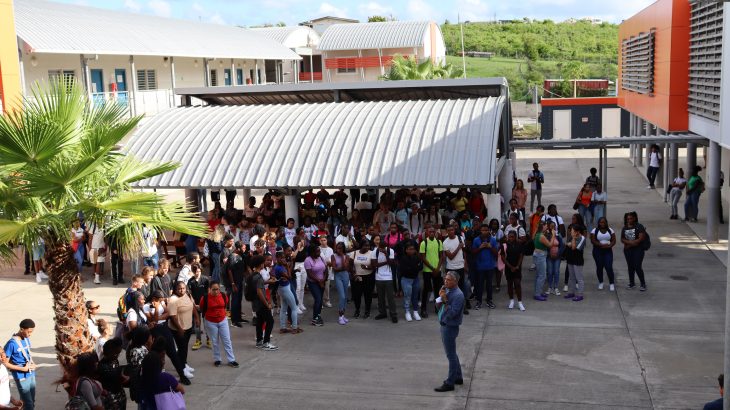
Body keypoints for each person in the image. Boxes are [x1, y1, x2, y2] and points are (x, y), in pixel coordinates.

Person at [144, 291, 190, 384]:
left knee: (173, 353)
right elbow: (153, 320)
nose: (161, 301)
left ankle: (182, 375)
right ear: (154, 299)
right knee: (158, 354)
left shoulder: (161, 302)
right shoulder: (146, 306)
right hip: (155, 330)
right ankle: (157, 376)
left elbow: (167, 313)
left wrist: (159, 317)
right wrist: (156, 309)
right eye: (159, 300)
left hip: (164, 328)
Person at [434, 272, 465, 393]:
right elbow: (439, 308)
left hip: (450, 327)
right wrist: (440, 298)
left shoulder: (458, 295)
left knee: (450, 355)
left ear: (455, 281)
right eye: (445, 279)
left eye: (448, 280)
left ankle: (450, 383)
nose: (445, 281)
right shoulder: (447, 290)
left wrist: (445, 300)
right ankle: (458, 377)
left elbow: (452, 313)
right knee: (452, 353)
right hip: (444, 325)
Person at [201, 281, 239, 365]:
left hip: (222, 320)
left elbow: (225, 305)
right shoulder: (205, 298)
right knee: (215, 342)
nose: (216, 291)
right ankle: (217, 359)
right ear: (209, 289)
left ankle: (231, 360)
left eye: (217, 289)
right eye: (214, 290)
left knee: (227, 341)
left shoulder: (223, 295)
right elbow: (202, 307)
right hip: (210, 322)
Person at [3, 319, 36, 410]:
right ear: (21, 329)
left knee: (31, 401)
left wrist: (33, 364)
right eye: (29, 332)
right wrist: (22, 369)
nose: (30, 334)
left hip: (31, 374)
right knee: (28, 404)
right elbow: (5, 363)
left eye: (32, 332)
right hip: (21, 376)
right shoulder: (11, 344)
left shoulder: (26, 339)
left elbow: (28, 355)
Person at [169, 281, 198, 379]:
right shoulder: (173, 299)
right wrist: (179, 328)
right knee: (182, 349)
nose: (182, 290)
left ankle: (184, 363)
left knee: (184, 347)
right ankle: (182, 368)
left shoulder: (187, 295)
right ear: (175, 289)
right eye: (179, 289)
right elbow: (172, 316)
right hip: (178, 329)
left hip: (188, 326)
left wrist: (197, 318)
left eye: (183, 288)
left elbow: (192, 306)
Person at [250, 255, 278, 349]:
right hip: (261, 303)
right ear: (260, 264)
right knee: (270, 321)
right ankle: (266, 342)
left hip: (256, 303)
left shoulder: (254, 275)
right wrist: (267, 303)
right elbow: (259, 292)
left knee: (260, 321)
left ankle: (259, 341)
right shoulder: (258, 277)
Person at [442, 225, 470, 314]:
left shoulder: (460, 238)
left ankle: (463, 307)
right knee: (451, 288)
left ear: (454, 230)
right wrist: (458, 247)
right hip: (451, 268)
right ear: (446, 232)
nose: (451, 232)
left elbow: (464, 251)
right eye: (449, 230)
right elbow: (450, 257)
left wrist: (465, 262)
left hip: (460, 267)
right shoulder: (445, 242)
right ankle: (451, 306)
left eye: (452, 230)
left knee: (462, 287)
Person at [274, 247, 301, 334]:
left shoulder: (279, 266)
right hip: (284, 288)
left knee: (284, 308)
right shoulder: (279, 268)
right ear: (277, 258)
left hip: (283, 288)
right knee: (294, 307)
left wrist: (287, 266)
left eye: (283, 258)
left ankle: (283, 327)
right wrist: (287, 266)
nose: (283, 259)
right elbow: (289, 277)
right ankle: (294, 327)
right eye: (281, 258)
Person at [372, 235, 398, 323]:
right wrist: (387, 262)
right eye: (380, 247)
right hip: (378, 277)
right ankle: (382, 313)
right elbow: (374, 265)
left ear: (386, 246)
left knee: (391, 297)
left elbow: (391, 264)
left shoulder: (390, 251)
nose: (381, 249)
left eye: (383, 247)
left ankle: (393, 314)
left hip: (388, 277)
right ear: (378, 246)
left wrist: (386, 254)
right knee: (380, 297)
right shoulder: (375, 251)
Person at [472, 224, 498, 309]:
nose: (484, 232)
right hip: (479, 267)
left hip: (490, 266)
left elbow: (496, 253)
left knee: (489, 285)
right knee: (480, 285)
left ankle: (489, 300)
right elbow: (473, 252)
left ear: (489, 231)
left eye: (486, 230)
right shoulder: (476, 240)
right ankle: (479, 301)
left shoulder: (493, 240)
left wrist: (490, 247)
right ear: (480, 231)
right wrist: (480, 247)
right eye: (483, 230)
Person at [420, 227, 444, 317]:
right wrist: (432, 268)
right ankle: (423, 309)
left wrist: (437, 268)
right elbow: (423, 258)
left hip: (437, 270)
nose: (432, 233)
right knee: (426, 290)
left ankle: (437, 308)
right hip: (427, 270)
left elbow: (441, 256)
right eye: (430, 231)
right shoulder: (424, 243)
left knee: (438, 290)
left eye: (433, 231)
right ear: (427, 232)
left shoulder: (439, 242)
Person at [98, 338, 128, 410]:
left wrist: (123, 376)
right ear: (109, 352)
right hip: (110, 398)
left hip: (120, 394)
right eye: (115, 353)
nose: (117, 356)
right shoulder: (102, 366)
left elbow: (118, 373)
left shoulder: (114, 360)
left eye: (118, 354)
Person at [621, 212, 648, 291]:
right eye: (628, 219)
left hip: (638, 250)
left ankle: (643, 284)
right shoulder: (625, 227)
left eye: (631, 218)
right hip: (628, 251)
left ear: (635, 218)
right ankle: (632, 283)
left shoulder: (639, 226)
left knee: (637, 266)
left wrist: (629, 244)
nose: (629, 220)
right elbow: (622, 239)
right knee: (630, 267)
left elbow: (640, 239)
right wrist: (631, 243)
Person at [187, 264, 211, 350]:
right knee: (197, 324)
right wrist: (194, 304)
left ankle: (209, 340)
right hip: (195, 306)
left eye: (199, 271)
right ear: (193, 272)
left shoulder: (205, 279)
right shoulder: (190, 281)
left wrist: (205, 304)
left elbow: (209, 293)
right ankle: (198, 340)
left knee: (207, 323)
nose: (198, 273)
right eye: (196, 271)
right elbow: (190, 295)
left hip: (205, 305)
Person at [226, 241, 250, 327]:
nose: (245, 249)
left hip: (240, 281)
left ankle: (239, 318)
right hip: (235, 282)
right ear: (238, 248)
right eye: (243, 248)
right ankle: (234, 320)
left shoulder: (241, 255)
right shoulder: (233, 256)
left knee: (239, 299)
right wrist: (233, 283)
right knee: (235, 301)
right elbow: (229, 270)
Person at [398, 242, 423, 322]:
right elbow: (404, 270)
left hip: (415, 279)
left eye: (413, 249)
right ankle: (407, 312)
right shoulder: (403, 258)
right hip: (406, 280)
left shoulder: (417, 257)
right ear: (406, 250)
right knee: (407, 296)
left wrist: (412, 268)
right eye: (410, 249)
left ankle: (415, 312)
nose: (412, 251)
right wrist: (414, 267)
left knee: (415, 296)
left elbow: (420, 267)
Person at [501, 231, 525, 311]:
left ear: (515, 237)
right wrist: (510, 266)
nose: (510, 238)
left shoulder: (519, 245)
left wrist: (517, 266)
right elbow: (503, 257)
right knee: (510, 284)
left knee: (517, 283)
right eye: (509, 236)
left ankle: (520, 302)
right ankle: (511, 300)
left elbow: (521, 255)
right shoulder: (504, 245)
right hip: (508, 267)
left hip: (517, 267)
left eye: (512, 237)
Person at [590, 217, 616, 291]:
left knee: (609, 267)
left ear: (606, 223)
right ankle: (601, 282)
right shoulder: (594, 230)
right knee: (599, 267)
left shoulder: (610, 230)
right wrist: (601, 245)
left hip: (608, 251)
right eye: (601, 222)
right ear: (598, 223)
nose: (602, 224)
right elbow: (593, 241)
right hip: (597, 251)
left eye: (604, 222)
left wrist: (609, 246)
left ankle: (611, 283)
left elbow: (614, 240)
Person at [350, 240, 374, 318]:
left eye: (368, 246)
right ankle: (357, 310)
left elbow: (374, 266)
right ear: (361, 246)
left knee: (368, 295)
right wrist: (353, 274)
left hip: (368, 277)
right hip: (357, 277)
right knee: (357, 295)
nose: (367, 247)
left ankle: (367, 310)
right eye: (365, 245)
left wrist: (366, 267)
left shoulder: (372, 253)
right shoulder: (354, 253)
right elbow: (350, 266)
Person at [305, 245, 328, 326]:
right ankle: (314, 319)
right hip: (313, 283)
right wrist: (319, 281)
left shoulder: (321, 258)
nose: (319, 253)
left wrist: (324, 279)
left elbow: (326, 269)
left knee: (320, 300)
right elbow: (309, 274)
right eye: (317, 251)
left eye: (319, 251)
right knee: (318, 299)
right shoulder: (308, 260)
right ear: (312, 252)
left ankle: (318, 315)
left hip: (322, 282)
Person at [563, 224, 586, 302]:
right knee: (572, 277)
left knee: (579, 278)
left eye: (572, 231)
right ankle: (571, 292)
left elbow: (573, 247)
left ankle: (580, 294)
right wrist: (572, 241)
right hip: (570, 259)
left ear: (577, 232)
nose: (571, 232)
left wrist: (573, 239)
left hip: (578, 260)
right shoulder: (571, 237)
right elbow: (568, 244)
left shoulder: (582, 238)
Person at [331, 242, 352, 325]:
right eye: (337, 248)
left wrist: (342, 256)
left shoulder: (347, 256)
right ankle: (340, 316)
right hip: (338, 277)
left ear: (343, 249)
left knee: (345, 296)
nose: (338, 250)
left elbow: (345, 267)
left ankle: (343, 315)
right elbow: (334, 269)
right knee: (342, 296)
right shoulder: (333, 256)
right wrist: (341, 268)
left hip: (345, 276)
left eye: (340, 248)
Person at [532, 222, 552, 301]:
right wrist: (553, 235)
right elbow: (549, 245)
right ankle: (537, 294)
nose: (546, 227)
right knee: (542, 276)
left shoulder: (537, 234)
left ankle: (538, 291)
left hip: (537, 255)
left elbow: (532, 237)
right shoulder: (541, 236)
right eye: (545, 226)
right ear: (542, 227)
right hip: (541, 256)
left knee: (538, 275)